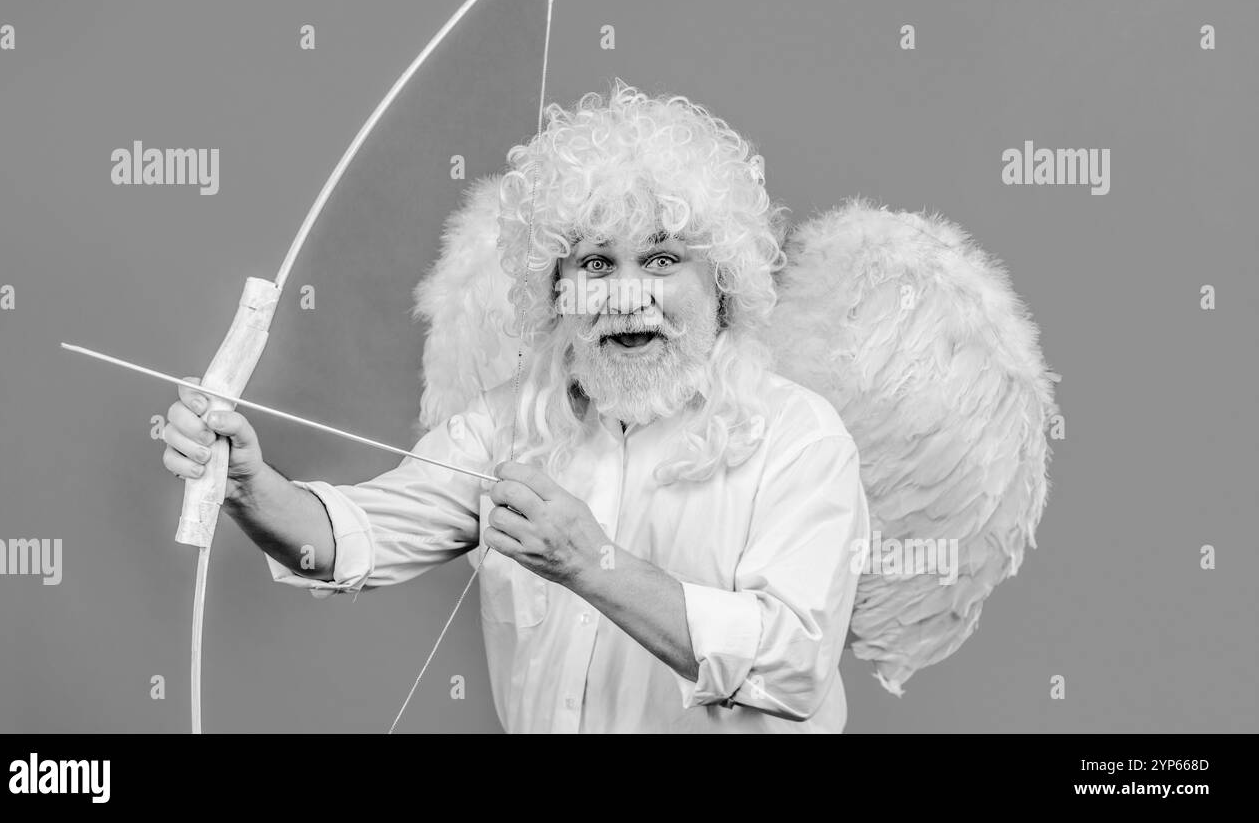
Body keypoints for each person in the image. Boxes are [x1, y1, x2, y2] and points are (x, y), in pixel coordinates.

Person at [160, 81, 870, 732]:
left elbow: (793, 664)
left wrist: (590, 562)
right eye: (595, 263)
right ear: (557, 292)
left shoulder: (799, 440)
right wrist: (250, 486)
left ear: (723, 281)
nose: (626, 294)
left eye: (661, 260)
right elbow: (347, 542)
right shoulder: (507, 425)